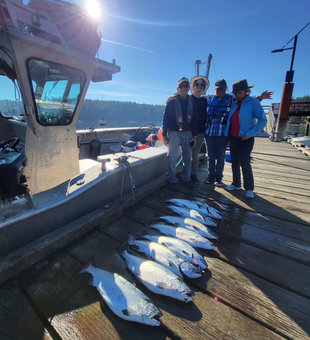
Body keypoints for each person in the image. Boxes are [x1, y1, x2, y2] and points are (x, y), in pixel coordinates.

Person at [203, 79, 273, 187]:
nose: (219, 91)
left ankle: (219, 178)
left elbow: (248, 100)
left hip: (223, 134)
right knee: (211, 157)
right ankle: (211, 176)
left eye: (222, 88)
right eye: (217, 89)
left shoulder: (231, 99)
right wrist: (175, 97)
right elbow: (196, 98)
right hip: (210, 133)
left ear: (225, 89)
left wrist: (260, 97)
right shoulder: (209, 98)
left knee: (221, 157)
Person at [225, 79, 267, 198]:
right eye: (235, 93)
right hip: (233, 138)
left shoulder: (253, 102)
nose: (237, 94)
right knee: (235, 163)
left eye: (239, 92)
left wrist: (250, 133)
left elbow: (263, 120)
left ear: (246, 91)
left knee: (245, 163)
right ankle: (236, 183)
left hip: (246, 138)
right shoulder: (234, 103)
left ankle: (249, 188)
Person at [162, 77, 198, 191]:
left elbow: (195, 120)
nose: (184, 88)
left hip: (188, 133)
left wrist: (195, 135)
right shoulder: (171, 102)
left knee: (187, 157)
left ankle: (186, 179)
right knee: (171, 157)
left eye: (186, 86)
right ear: (178, 88)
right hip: (173, 132)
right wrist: (164, 134)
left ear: (189, 88)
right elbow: (165, 119)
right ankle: (172, 180)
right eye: (181, 86)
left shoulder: (192, 101)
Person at [189, 75, 210, 183]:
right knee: (187, 154)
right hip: (188, 131)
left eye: (202, 85)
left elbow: (228, 96)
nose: (199, 87)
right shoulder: (188, 98)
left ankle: (193, 174)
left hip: (200, 131)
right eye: (197, 84)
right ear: (193, 86)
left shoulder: (205, 100)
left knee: (195, 154)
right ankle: (186, 175)